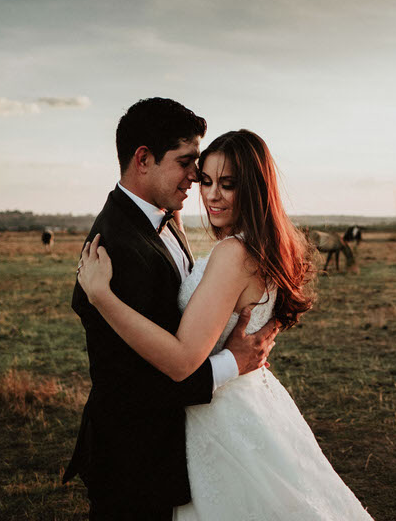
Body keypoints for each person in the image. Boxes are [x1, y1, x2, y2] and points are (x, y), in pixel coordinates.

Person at [77, 129, 373, 520]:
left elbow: (183, 359)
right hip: (251, 399)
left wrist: (104, 298)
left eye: (228, 184)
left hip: (221, 417)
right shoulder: (262, 245)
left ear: (254, 188)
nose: (212, 194)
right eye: (206, 181)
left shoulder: (233, 254)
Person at [63, 99, 278, 520]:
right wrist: (232, 363)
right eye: (187, 162)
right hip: (134, 458)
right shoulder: (115, 248)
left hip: (180, 444)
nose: (196, 177)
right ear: (143, 159)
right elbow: (134, 383)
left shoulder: (164, 219)